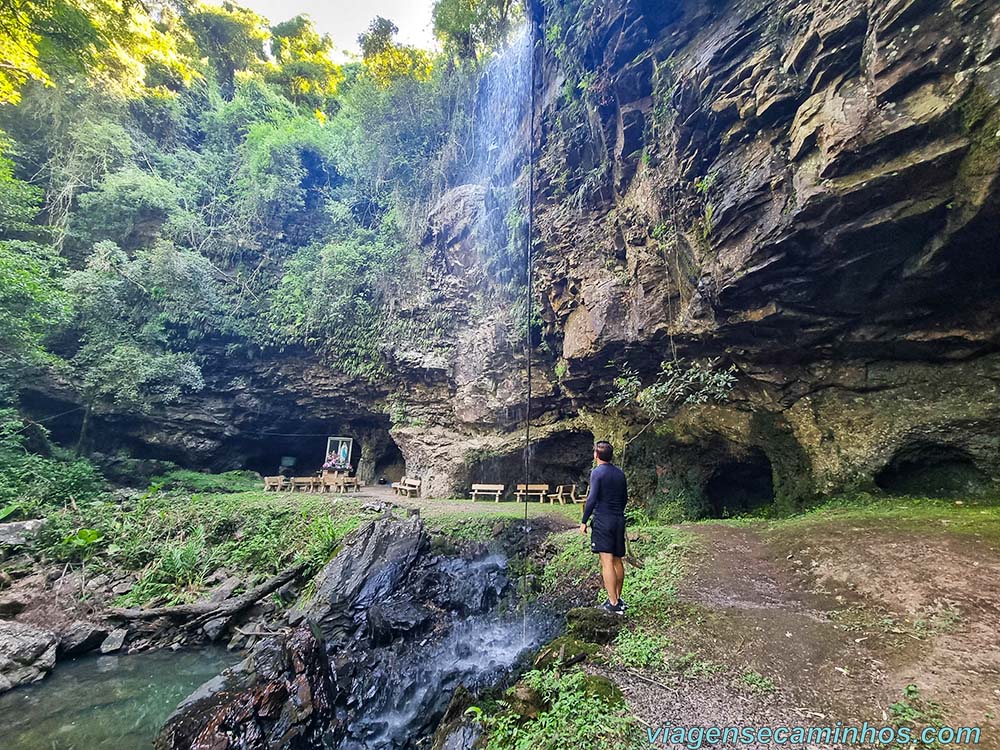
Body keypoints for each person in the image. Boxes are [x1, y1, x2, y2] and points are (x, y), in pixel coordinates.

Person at [580, 440, 628, 615]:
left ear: (596, 455)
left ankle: (613, 603)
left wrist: (584, 520)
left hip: (603, 520)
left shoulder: (597, 472)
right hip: (618, 519)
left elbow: (592, 498)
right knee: (617, 560)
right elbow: (625, 498)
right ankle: (617, 599)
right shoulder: (620, 473)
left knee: (606, 561)